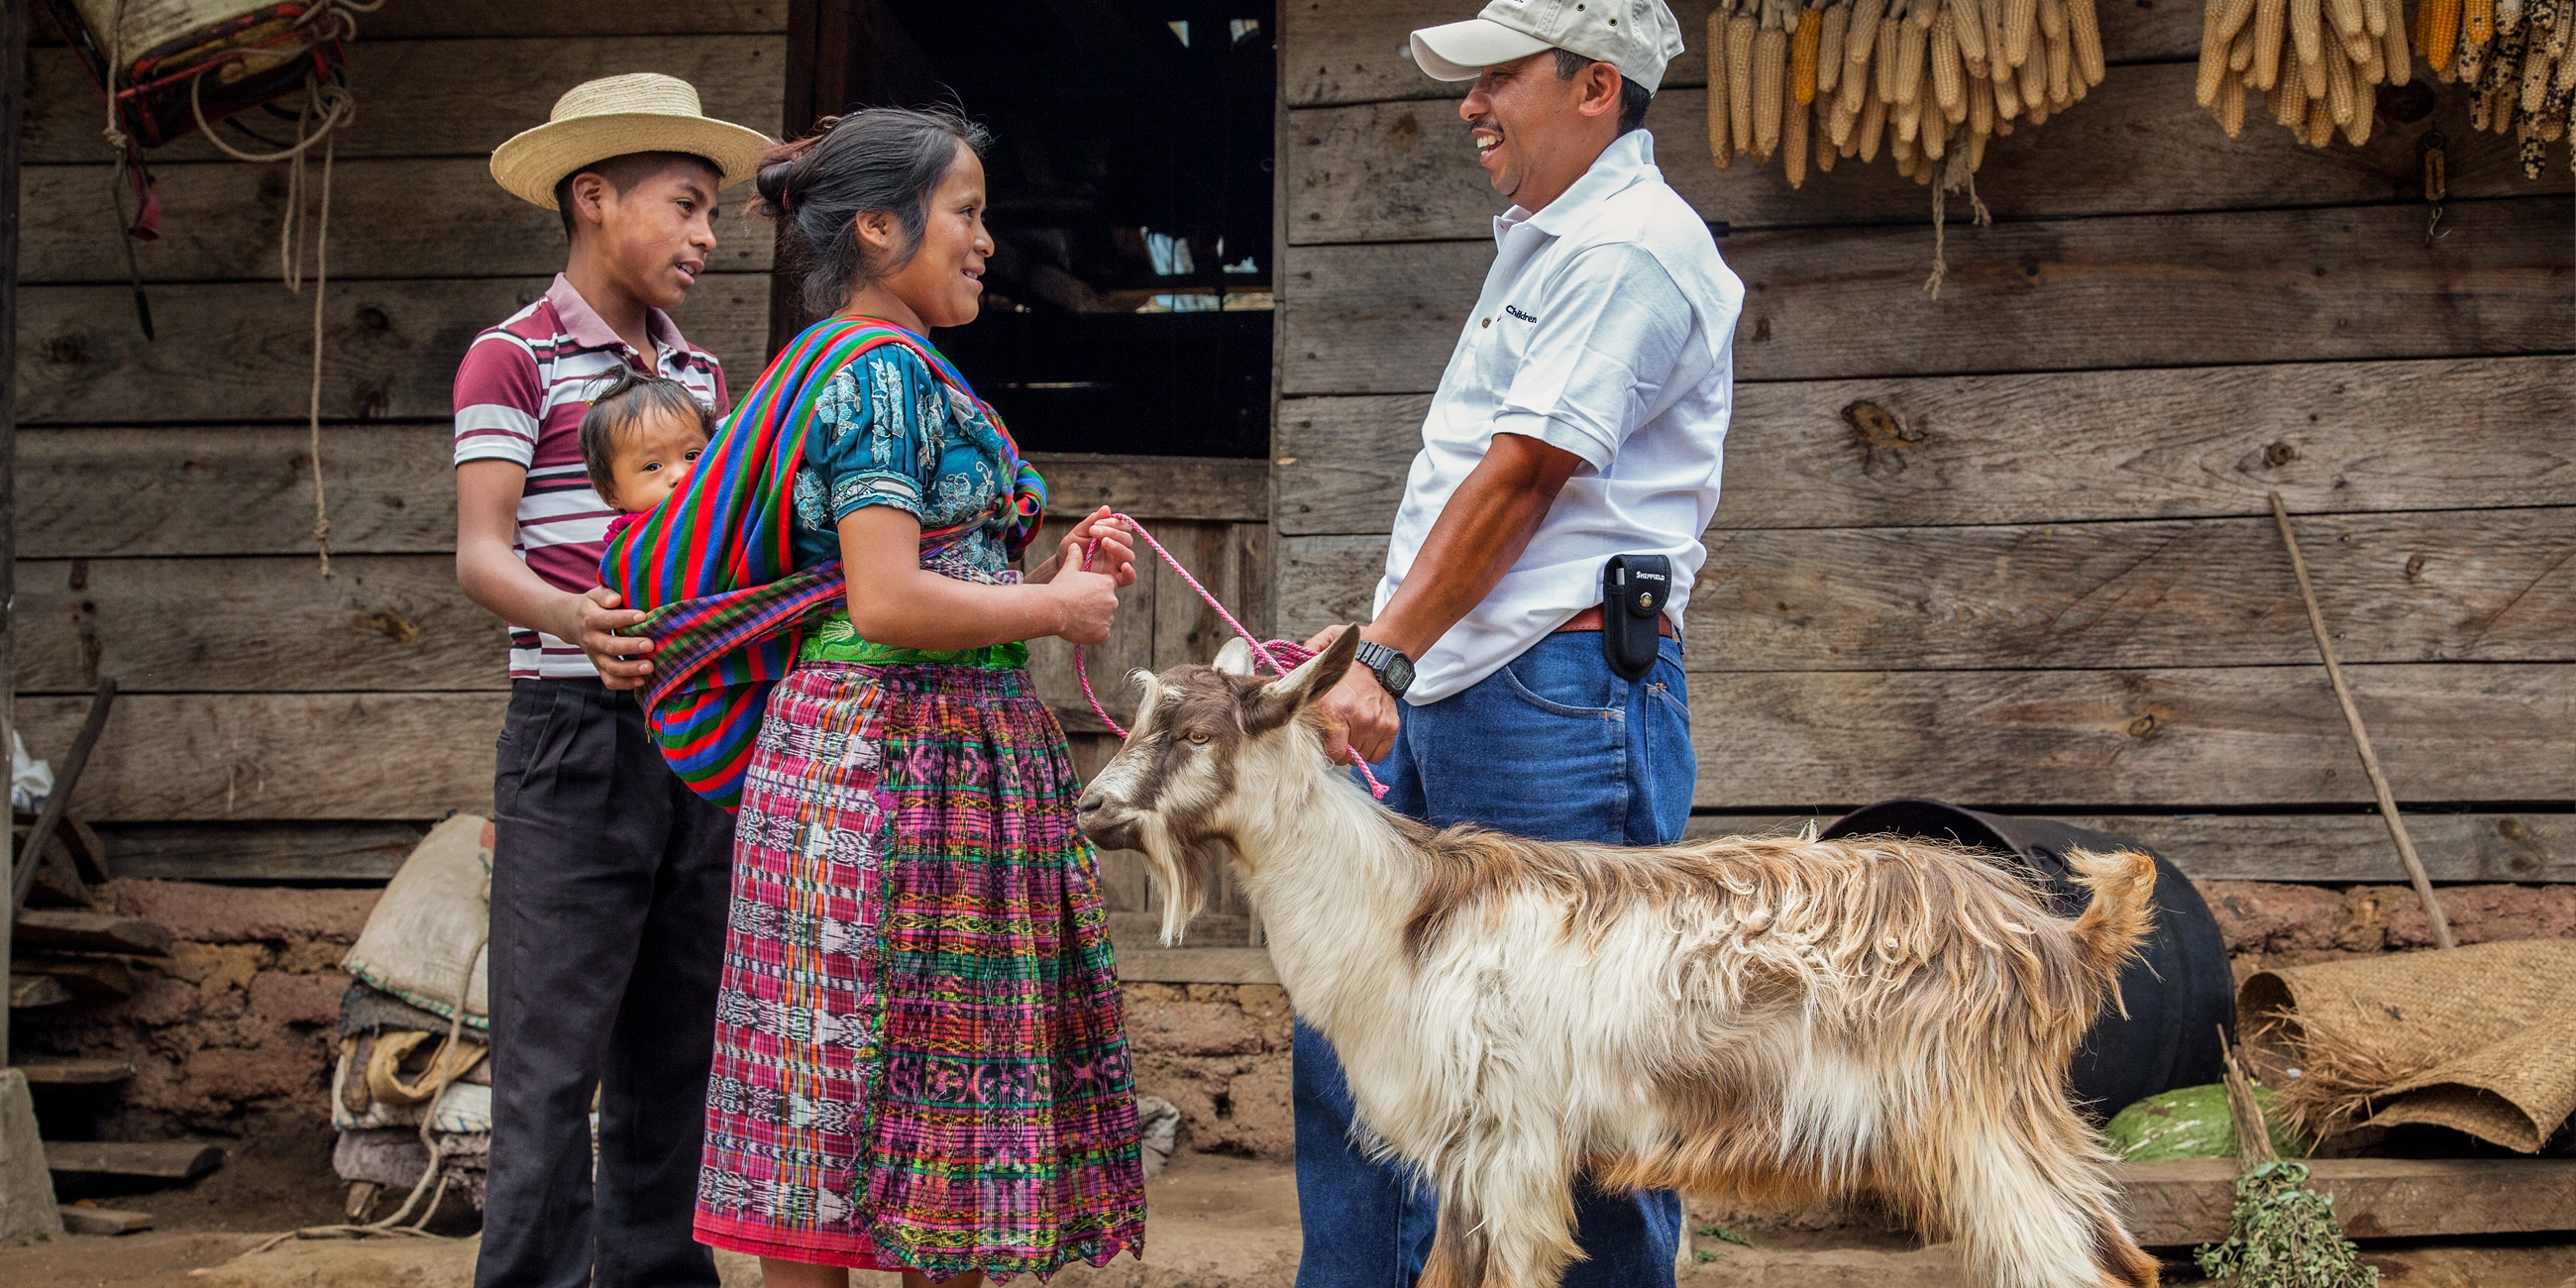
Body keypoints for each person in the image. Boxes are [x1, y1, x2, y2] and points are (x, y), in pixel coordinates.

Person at [1288, 3, 1743, 1285]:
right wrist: (1385, 640)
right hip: (1465, 681)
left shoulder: (1634, 250)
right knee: (1355, 1028)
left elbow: (1525, 479)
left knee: (1578, 1071)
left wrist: (1385, 655)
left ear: (1596, 85)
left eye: (1500, 78)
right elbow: (1483, 487)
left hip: (1558, 697)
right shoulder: (1552, 244)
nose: (1471, 104)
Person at [677, 106, 1149, 1287]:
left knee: (829, 1117)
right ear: (880, 227)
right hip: (898, 775)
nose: (987, 240)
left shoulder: (838, 364)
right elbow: (885, 600)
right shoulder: (880, 374)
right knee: (915, 1105)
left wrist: (1048, 580)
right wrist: (1054, 612)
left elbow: (933, 579)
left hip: (892, 764)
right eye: (967, 212)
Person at [453, 72, 770, 1288]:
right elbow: (482, 556)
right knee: (548, 1062)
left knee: (675, 1052)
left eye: (708, 213)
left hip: (694, 735)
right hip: (572, 733)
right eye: (684, 207)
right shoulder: (510, 359)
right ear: (592, 198)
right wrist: (575, 618)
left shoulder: (699, 378)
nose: (703, 237)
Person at [576, 370, 714, 541]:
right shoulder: (631, 551)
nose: (682, 475)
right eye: (653, 466)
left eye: (692, 455)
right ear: (609, 492)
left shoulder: (732, 510)